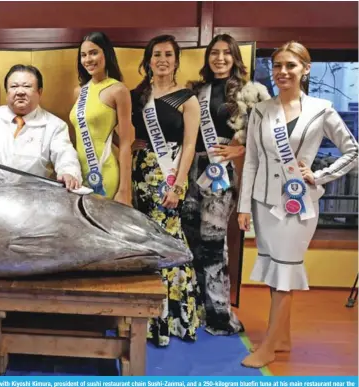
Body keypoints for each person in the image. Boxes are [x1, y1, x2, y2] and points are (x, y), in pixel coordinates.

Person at [237, 41, 358, 368]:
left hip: (297, 206)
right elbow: (251, 161)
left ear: (306, 68)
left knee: (285, 274)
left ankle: (270, 346)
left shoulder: (321, 109)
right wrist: (244, 206)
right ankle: (284, 336)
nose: (282, 72)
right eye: (277, 65)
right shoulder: (262, 111)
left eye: (290, 65)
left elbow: (353, 150)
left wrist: (319, 175)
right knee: (274, 273)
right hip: (263, 203)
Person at [182, 34, 271, 336]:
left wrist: (240, 150)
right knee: (191, 237)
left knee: (214, 241)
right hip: (193, 167)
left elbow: (266, 136)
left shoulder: (251, 93)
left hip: (220, 170)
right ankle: (193, 308)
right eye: (214, 53)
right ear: (207, 58)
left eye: (226, 53)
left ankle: (220, 313)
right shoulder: (196, 91)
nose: (219, 58)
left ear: (235, 57)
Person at [130, 35, 201, 347]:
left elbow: (189, 145)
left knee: (168, 241)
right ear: (148, 60)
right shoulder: (138, 95)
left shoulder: (187, 98)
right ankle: (145, 315)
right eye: (156, 54)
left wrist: (177, 183)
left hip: (170, 174)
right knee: (144, 241)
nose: (162, 59)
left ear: (176, 60)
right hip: (141, 172)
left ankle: (173, 317)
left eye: (168, 55)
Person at [69, 32, 134, 206]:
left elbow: (126, 142)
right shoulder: (79, 92)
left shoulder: (118, 90)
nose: (88, 59)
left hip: (105, 172)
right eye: (83, 55)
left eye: (93, 53)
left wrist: (125, 190)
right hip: (79, 174)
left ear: (106, 53)